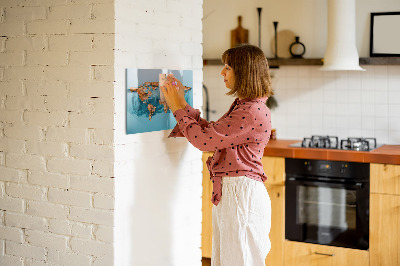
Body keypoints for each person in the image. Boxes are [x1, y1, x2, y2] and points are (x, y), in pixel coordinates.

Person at [161, 44, 273, 266]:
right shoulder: (246, 106)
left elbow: (204, 141)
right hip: (236, 193)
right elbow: (212, 133)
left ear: (244, 72)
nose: (222, 72)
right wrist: (182, 104)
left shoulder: (250, 111)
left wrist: (176, 107)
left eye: (228, 67)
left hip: (241, 195)